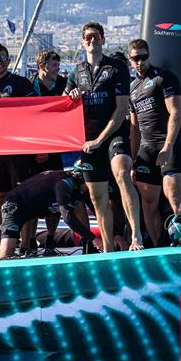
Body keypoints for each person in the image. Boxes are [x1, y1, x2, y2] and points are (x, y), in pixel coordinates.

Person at [65, 21, 143, 251]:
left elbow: (120, 110)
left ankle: (136, 235)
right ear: (82, 41)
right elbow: (63, 105)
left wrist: (101, 140)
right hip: (88, 140)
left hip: (114, 135)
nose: (92, 40)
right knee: (98, 198)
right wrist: (71, 95)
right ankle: (108, 247)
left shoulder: (117, 67)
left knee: (121, 174)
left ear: (103, 39)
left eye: (96, 36)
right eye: (88, 36)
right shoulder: (75, 72)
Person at [128, 38, 181, 246]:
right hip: (146, 148)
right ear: (130, 60)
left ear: (149, 56)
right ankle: (160, 246)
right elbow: (133, 128)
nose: (140, 62)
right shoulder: (132, 87)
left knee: (175, 197)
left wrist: (168, 146)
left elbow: (176, 112)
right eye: (136, 58)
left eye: (144, 57)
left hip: (167, 145)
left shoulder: (164, 78)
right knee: (148, 204)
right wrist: (133, 161)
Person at [0, 169, 97, 259]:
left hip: (36, 206)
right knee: (3, 255)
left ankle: (88, 246)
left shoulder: (79, 188)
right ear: (84, 179)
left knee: (77, 203)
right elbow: (67, 217)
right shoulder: (63, 183)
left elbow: (98, 212)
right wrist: (94, 238)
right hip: (15, 206)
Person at [0, 43, 37, 238]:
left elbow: (36, 113)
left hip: (19, 148)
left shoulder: (22, 83)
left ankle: (26, 241)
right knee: (0, 197)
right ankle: (4, 239)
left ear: (8, 60)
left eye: (1, 58)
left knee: (22, 194)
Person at [29, 49, 67, 174]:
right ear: (41, 66)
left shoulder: (64, 84)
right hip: (34, 144)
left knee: (57, 179)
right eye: (54, 65)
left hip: (57, 142)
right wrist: (38, 148)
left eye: (58, 65)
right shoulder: (28, 86)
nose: (58, 69)